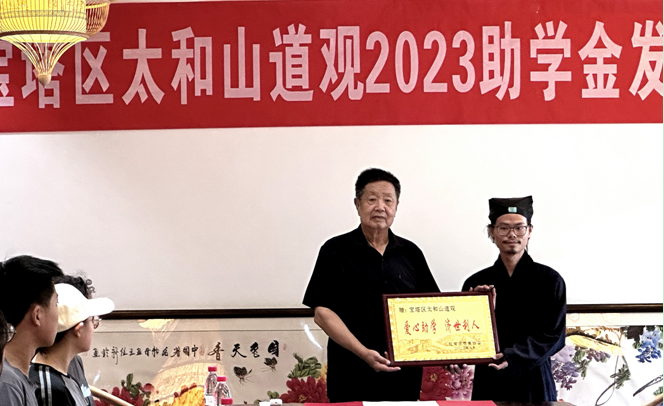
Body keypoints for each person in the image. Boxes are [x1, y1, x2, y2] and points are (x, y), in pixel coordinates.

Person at [303, 168, 439, 402]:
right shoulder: (335, 251)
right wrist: (364, 353)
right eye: (372, 199)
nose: (380, 207)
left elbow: (433, 307)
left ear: (396, 206)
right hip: (351, 371)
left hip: (403, 376)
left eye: (388, 200)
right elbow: (322, 314)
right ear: (357, 204)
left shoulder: (411, 253)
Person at [462, 196, 566, 402]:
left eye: (519, 228)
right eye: (503, 228)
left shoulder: (550, 280)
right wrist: (480, 307)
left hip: (534, 378)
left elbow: (554, 335)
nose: (512, 234)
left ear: (529, 231)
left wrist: (514, 356)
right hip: (490, 377)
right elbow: (466, 335)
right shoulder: (476, 283)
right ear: (492, 231)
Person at [30, 282, 114, 406]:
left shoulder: (64, 377)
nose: (93, 327)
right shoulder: (50, 388)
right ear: (78, 329)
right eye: (92, 321)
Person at [0, 255, 64, 406]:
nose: (58, 313)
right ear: (37, 315)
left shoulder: (16, 379)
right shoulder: (7, 385)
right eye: (56, 303)